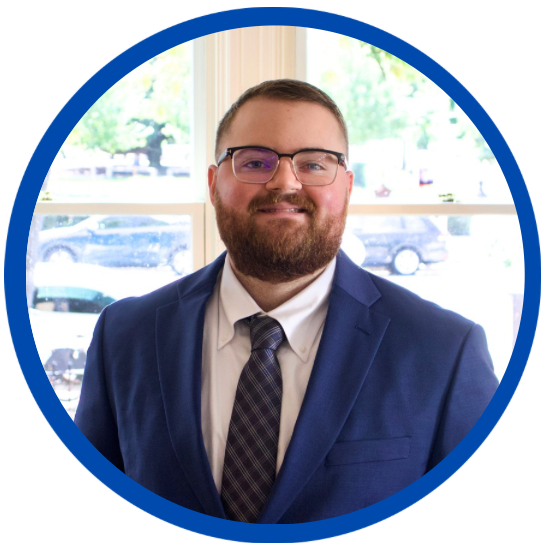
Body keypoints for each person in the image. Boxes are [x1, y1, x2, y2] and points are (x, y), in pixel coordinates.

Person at [75, 79, 499, 524]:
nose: (284, 181)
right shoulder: (123, 337)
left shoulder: (444, 351)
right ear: (214, 183)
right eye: (254, 162)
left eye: (314, 164)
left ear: (347, 187)